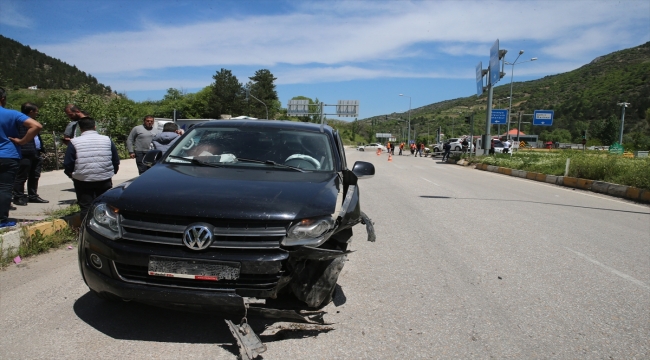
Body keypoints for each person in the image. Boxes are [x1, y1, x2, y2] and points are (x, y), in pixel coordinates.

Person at [0, 87, 43, 227]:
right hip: (8, 155)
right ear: (3, 99)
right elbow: (36, 126)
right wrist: (22, 141)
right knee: (5, 188)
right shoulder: (12, 114)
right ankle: (1, 220)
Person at [64, 117, 120, 221]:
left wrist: (71, 175)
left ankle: (86, 230)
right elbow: (115, 159)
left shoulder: (74, 142)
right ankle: (105, 228)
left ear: (80, 129)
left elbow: (68, 163)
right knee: (104, 205)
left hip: (83, 180)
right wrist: (112, 172)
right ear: (95, 127)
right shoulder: (107, 139)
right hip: (104, 178)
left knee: (86, 206)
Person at [13, 103, 48, 206]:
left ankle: (33, 196)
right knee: (22, 176)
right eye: (36, 111)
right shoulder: (21, 122)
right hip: (25, 152)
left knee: (35, 175)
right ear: (31, 111)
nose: (37, 113)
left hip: (35, 152)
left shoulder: (32, 122)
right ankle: (18, 197)